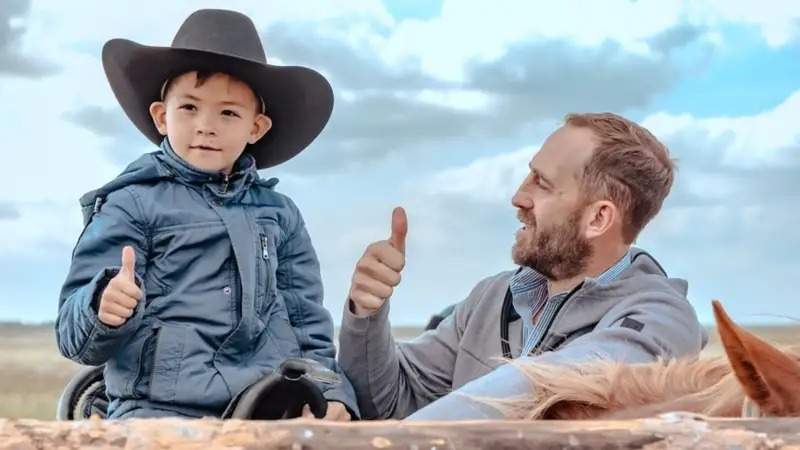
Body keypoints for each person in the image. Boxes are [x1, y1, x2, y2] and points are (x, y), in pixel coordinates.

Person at [55, 9, 356, 420]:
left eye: (228, 113)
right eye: (190, 108)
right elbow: (75, 337)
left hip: (263, 407)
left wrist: (329, 391)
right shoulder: (132, 203)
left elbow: (307, 323)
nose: (206, 126)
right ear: (162, 117)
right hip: (157, 410)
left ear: (257, 127)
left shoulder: (280, 215)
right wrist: (103, 307)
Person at [338, 112, 706, 420]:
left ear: (598, 218)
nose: (518, 196)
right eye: (529, 174)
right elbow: (387, 403)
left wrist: (392, 443)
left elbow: (545, 387)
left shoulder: (661, 319)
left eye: (541, 183)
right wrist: (367, 315)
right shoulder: (493, 297)